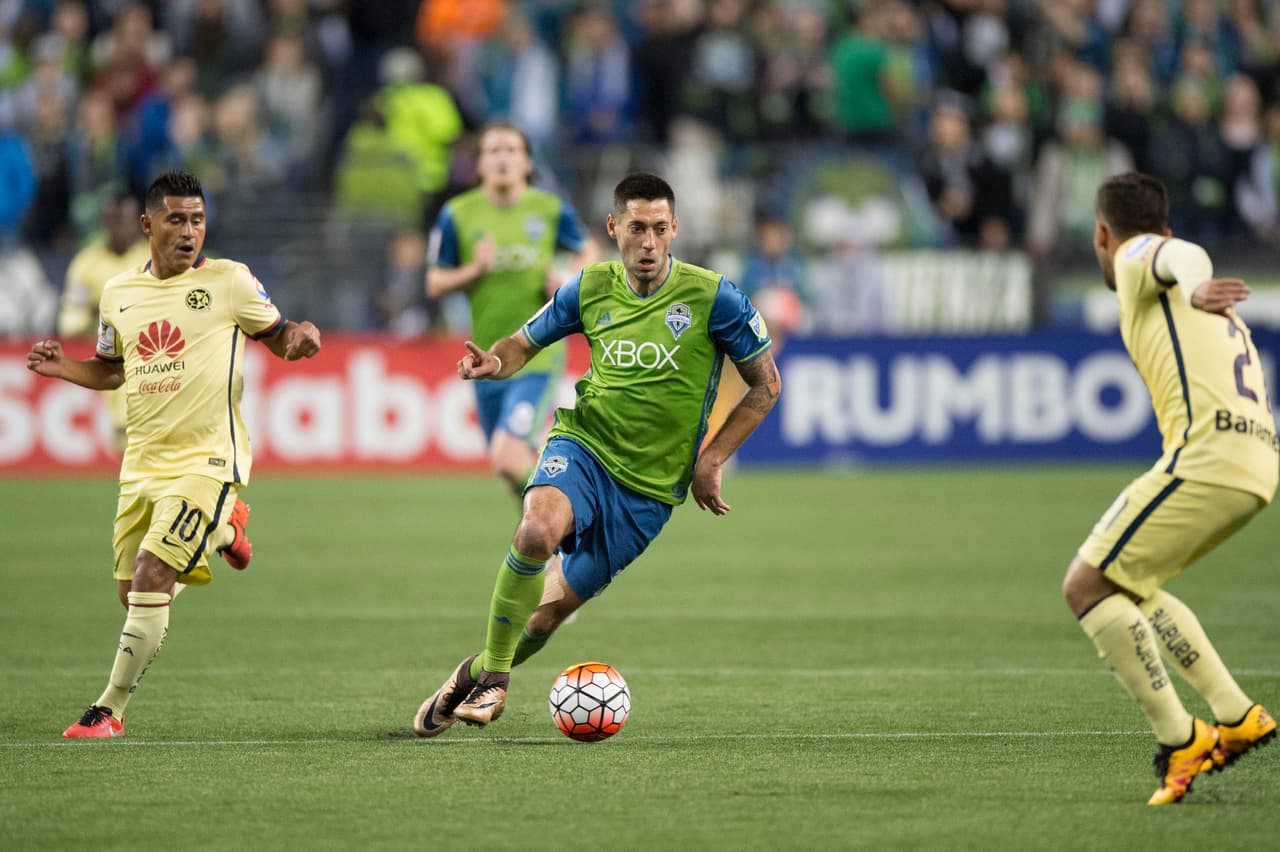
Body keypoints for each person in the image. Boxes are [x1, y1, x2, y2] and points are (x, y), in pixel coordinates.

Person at [412, 172, 781, 737]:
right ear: (614, 228)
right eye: (637, 228)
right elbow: (523, 341)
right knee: (536, 533)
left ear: (675, 229)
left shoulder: (716, 297)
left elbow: (765, 385)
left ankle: (474, 673)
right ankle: (498, 685)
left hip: (649, 493)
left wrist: (711, 460)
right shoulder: (589, 287)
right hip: (585, 445)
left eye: (660, 229)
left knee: (543, 617)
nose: (649, 243)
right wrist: (495, 361)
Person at [27, 169, 322, 739]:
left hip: (208, 460)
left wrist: (301, 339)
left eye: (198, 220)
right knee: (132, 595)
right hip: (141, 464)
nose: (190, 232)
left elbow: (281, 334)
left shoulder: (231, 282)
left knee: (152, 572)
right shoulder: (119, 294)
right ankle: (223, 532)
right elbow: (113, 370)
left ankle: (108, 710)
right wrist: (65, 368)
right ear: (147, 225)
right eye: (176, 220)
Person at [1061, 172, 1277, 805]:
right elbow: (1178, 253)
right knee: (1132, 582)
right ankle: (1236, 715)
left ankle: (1181, 738)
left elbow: (1176, 255)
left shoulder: (1138, 259)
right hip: (1257, 461)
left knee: (1085, 584)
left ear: (1102, 233)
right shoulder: (1169, 279)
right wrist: (1192, 284)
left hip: (1208, 457)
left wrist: (1195, 279)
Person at [426, 122, 599, 498]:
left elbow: (589, 251)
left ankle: (572, 517)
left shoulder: (550, 209)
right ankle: (548, 548)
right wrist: (475, 270)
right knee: (507, 466)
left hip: (537, 352)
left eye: (511, 151)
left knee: (508, 456)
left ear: (526, 163)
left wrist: (567, 276)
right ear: (479, 165)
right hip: (486, 358)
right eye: (493, 151)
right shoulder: (457, 214)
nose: (503, 158)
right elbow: (435, 281)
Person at [58, 188, 152, 450]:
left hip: (155, 357)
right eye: (114, 219)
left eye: (126, 219)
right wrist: (103, 314)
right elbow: (69, 323)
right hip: (110, 360)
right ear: (104, 221)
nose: (120, 226)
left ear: (140, 222)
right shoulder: (86, 263)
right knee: (128, 440)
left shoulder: (156, 260)